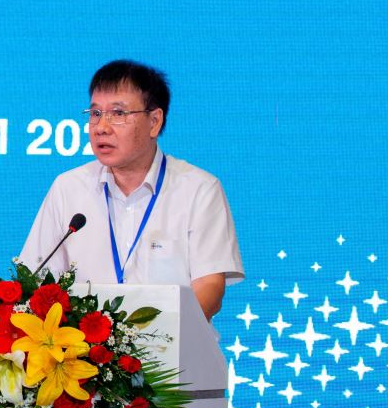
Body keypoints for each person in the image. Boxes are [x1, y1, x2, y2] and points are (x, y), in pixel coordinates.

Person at [18, 60, 243, 319]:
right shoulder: (68, 187)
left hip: (175, 343)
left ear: (154, 121)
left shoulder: (199, 189)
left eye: (118, 113)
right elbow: (36, 280)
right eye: (95, 113)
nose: (101, 127)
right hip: (86, 344)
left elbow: (210, 287)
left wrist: (162, 333)